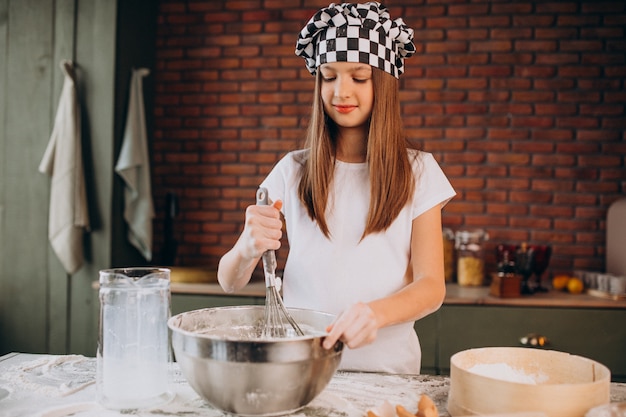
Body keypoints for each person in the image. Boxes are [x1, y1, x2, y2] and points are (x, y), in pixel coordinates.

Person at [218, 2, 456, 374]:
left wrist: (375, 314)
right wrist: (246, 247)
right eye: (329, 76)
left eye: (359, 77)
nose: (341, 92)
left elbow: (431, 286)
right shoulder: (291, 171)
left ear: (384, 83)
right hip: (299, 370)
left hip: (388, 376)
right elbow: (229, 281)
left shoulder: (419, 171)